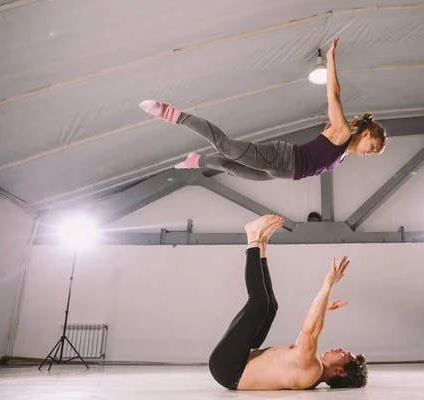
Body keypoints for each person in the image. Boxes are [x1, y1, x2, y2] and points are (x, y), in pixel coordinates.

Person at [139, 38, 387, 181]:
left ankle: (195, 161)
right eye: (373, 147)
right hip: (281, 158)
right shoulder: (342, 132)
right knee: (226, 146)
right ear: (366, 134)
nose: (370, 153)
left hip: (280, 172)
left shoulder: (344, 154)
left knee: (230, 167)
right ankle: (171, 113)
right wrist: (331, 59)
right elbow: (333, 95)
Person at [208, 214, 368, 391]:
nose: (339, 349)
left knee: (259, 304)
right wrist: (324, 309)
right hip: (236, 363)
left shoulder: (313, 369)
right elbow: (305, 334)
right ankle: (261, 245)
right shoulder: (308, 366)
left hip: (229, 367)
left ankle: (252, 237)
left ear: (341, 372)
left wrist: (327, 285)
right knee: (271, 307)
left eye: (344, 355)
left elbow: (310, 331)